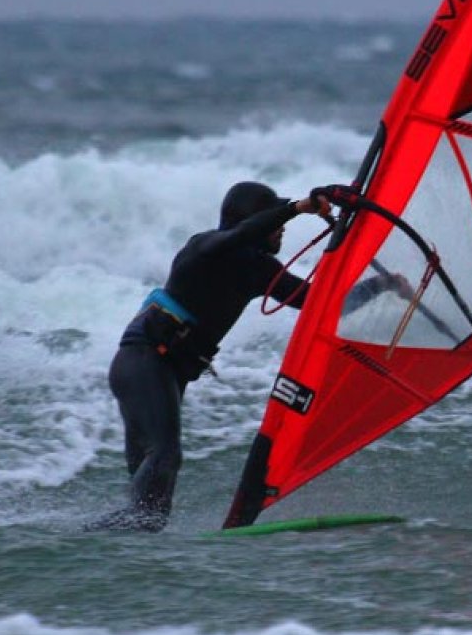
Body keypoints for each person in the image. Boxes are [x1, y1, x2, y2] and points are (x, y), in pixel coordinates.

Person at [86, 180, 405, 532]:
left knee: (150, 490)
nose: (281, 228)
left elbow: (322, 305)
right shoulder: (204, 248)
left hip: (168, 370)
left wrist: (383, 286)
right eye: (275, 221)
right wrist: (297, 208)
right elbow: (237, 236)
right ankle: (112, 538)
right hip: (142, 361)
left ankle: (116, 548)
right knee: (163, 463)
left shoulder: (259, 270)